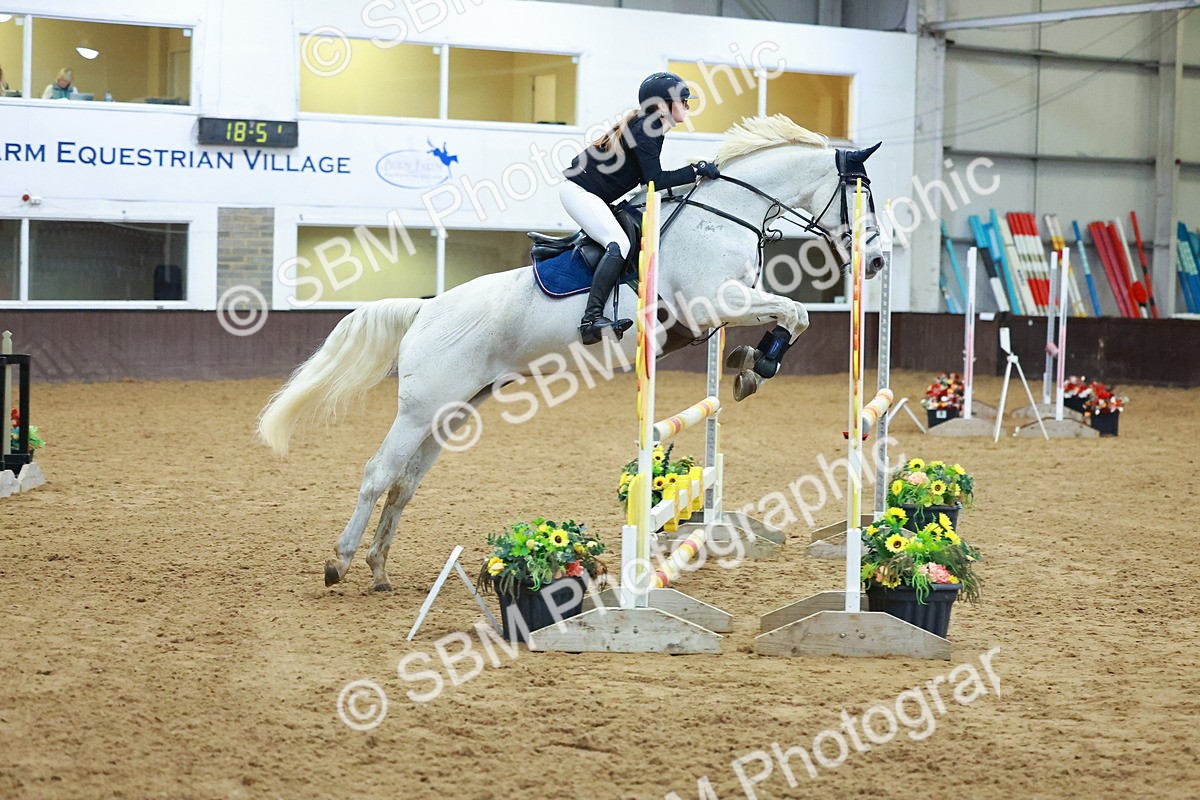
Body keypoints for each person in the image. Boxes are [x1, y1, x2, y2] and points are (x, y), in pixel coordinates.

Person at [562, 71, 720, 345]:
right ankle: (590, 320)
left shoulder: (648, 125)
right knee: (619, 244)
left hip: (588, 195)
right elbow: (654, 181)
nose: (688, 106)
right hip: (579, 193)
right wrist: (695, 170)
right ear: (662, 104)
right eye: (683, 100)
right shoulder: (650, 127)